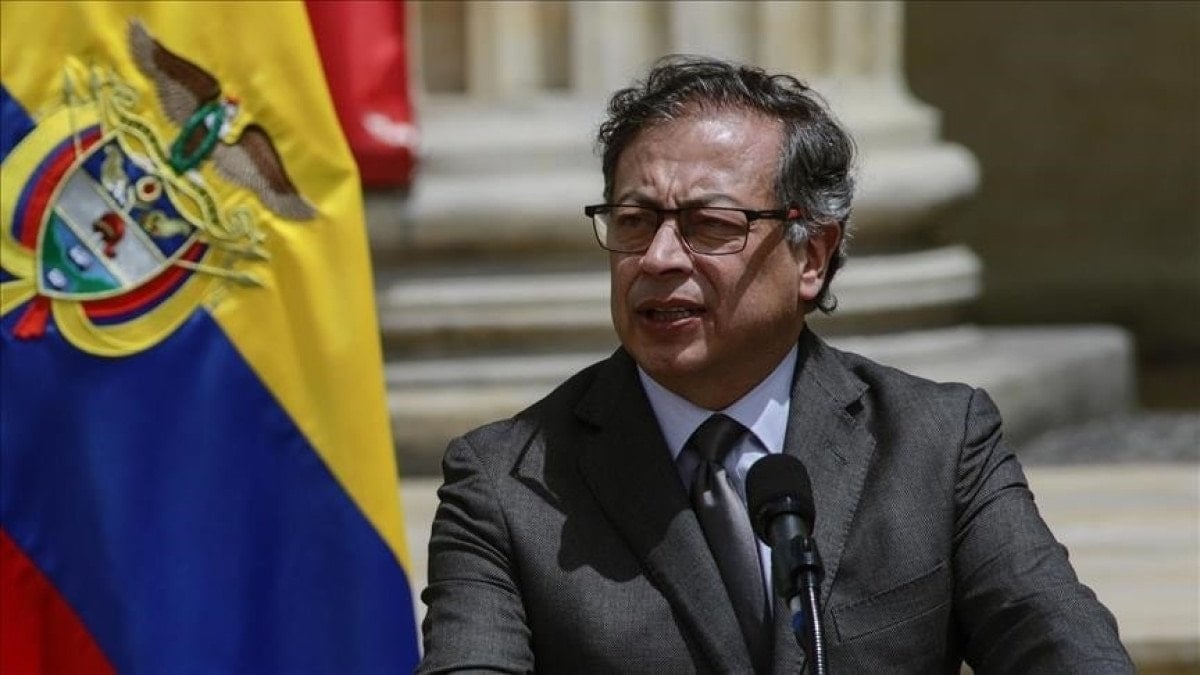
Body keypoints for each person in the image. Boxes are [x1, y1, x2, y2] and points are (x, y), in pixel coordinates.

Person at [418, 55, 1133, 674]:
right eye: (634, 222)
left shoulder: (938, 443)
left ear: (811, 256)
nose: (658, 258)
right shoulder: (507, 484)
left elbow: (1063, 648)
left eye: (709, 225)